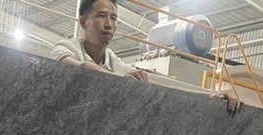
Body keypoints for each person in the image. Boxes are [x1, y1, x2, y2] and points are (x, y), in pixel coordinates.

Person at [51, 0, 241, 114]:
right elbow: (80, 67)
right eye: (101, 16)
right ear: (83, 22)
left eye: (114, 18)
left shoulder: (114, 62)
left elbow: (160, 84)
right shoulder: (66, 48)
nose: (109, 24)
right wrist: (120, 80)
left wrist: (210, 94)